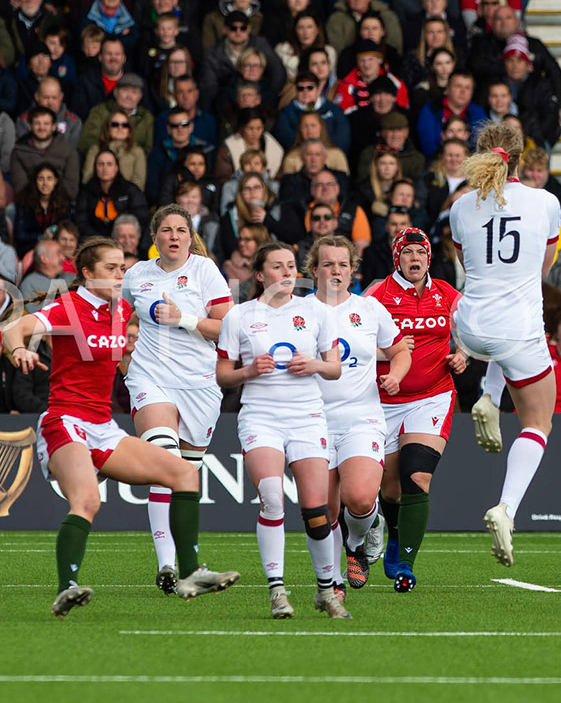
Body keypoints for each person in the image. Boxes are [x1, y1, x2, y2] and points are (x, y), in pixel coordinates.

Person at [2, 236, 240, 617]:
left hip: (103, 425)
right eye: (111, 268)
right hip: (67, 421)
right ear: (86, 273)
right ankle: (67, 588)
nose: (120, 273)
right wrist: (20, 348)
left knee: (184, 474)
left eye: (123, 267)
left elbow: (170, 323)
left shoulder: (123, 307)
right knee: (87, 501)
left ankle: (191, 573)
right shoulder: (68, 306)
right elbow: (14, 328)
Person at [446, 122, 561, 567]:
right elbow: (543, 269)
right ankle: (506, 508)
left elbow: (464, 259)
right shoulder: (546, 202)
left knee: (502, 343)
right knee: (538, 422)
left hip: (469, 324)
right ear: (519, 159)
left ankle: (489, 397)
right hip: (517, 328)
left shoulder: (460, 207)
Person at [214, 239, 349, 619]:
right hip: (260, 416)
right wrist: (248, 371)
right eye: (277, 266)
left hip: (307, 416)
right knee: (272, 497)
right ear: (260, 275)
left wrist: (314, 366)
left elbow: (334, 367)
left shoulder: (315, 312)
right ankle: (277, 590)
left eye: (291, 266)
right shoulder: (238, 317)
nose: (287, 273)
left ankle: (326, 592)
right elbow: (223, 375)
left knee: (316, 510)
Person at [121, 205, 233, 594]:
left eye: (180, 230)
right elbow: (118, 321)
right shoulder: (136, 274)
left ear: (189, 236)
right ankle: (168, 565)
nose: (173, 236)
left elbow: (226, 330)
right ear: (154, 238)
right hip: (151, 379)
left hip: (200, 386)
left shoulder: (205, 271)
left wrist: (183, 318)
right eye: (166, 230)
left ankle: (183, 564)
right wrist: (124, 364)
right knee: (164, 463)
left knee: (186, 476)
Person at [304, 235, 411, 591]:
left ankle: (356, 545)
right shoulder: (297, 312)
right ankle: (332, 582)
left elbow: (399, 352)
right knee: (326, 512)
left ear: (353, 270)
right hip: (311, 421)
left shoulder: (369, 309)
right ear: (314, 269)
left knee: (361, 498)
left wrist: (395, 375)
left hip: (361, 417)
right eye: (328, 264)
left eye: (343, 264)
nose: (336, 270)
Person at [367, 226, 467, 592]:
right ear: (397, 258)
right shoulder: (378, 294)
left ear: (429, 258)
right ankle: (393, 533)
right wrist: (390, 350)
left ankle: (406, 563)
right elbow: (351, 343)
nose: (415, 259)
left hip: (433, 395)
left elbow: (473, 330)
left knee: (417, 478)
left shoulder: (445, 292)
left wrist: (463, 354)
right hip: (385, 401)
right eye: (407, 253)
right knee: (390, 491)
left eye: (420, 253)